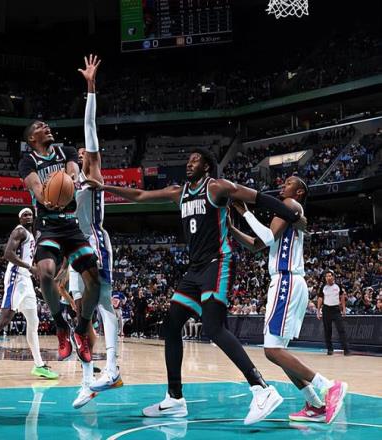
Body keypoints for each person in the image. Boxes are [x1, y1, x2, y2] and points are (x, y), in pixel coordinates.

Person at [85, 149, 307, 424]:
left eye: (195, 160)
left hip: (218, 262)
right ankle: (175, 399)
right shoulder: (178, 193)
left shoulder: (217, 187)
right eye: (188, 160)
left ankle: (262, 389)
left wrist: (292, 216)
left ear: (207, 167)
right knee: (171, 325)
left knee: (213, 327)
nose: (189, 164)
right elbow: (140, 195)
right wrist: (104, 187)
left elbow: (259, 197)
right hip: (195, 269)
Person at [230, 176, 348, 425]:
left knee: (272, 350)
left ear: (300, 192)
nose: (283, 185)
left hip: (287, 280)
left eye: (289, 183)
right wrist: (232, 228)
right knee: (277, 352)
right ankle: (316, 405)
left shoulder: (291, 205)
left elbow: (267, 238)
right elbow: (256, 244)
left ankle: (329, 386)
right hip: (286, 282)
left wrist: (247, 213)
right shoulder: (286, 212)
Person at [19, 113, 102, 363]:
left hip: (71, 225)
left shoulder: (66, 151)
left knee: (94, 279)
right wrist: (47, 198)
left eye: (46, 124)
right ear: (32, 138)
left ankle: (81, 330)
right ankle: (61, 326)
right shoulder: (28, 161)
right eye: (40, 126)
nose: (46, 126)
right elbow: (36, 187)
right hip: (47, 225)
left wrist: (69, 183)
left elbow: (73, 174)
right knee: (45, 273)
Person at [66, 54, 122, 409]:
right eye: (79, 152)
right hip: (74, 249)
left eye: (88, 149)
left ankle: (112, 366)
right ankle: (88, 380)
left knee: (101, 304)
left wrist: (90, 87)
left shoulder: (93, 174)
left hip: (95, 243)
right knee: (79, 315)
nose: (84, 151)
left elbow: (90, 126)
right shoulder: (67, 186)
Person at [0, 208, 57, 380]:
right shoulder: (19, 231)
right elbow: (8, 254)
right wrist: (30, 267)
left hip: (26, 280)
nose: (28, 217)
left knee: (34, 322)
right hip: (16, 278)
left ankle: (39, 365)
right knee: (5, 319)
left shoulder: (32, 234)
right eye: (25, 215)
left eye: (30, 214)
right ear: (19, 219)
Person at [317, 270, 350, 355]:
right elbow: (320, 298)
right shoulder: (323, 287)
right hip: (326, 309)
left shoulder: (338, 286)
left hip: (336, 310)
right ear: (325, 278)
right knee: (327, 330)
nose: (328, 277)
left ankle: (346, 349)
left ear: (333, 277)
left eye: (330, 276)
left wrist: (343, 308)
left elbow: (342, 296)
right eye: (327, 276)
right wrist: (318, 311)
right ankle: (330, 349)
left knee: (341, 329)